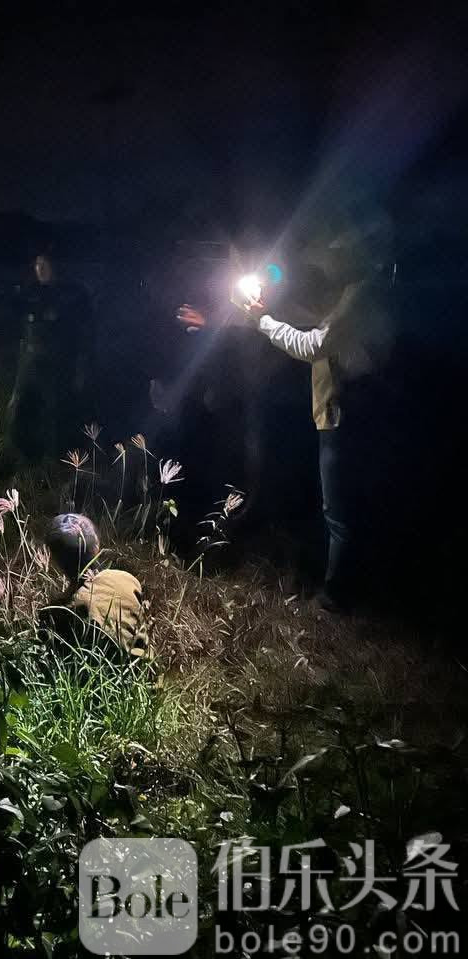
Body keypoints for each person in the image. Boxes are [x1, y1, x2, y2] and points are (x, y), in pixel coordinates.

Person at [177, 235, 383, 612]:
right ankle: (329, 581)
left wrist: (263, 319)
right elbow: (308, 320)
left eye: (334, 253)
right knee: (330, 507)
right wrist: (257, 313)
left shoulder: (359, 294)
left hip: (343, 413)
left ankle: (337, 597)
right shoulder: (349, 293)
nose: (326, 261)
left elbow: (314, 344)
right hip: (330, 411)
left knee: (338, 512)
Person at [6, 254, 94, 459]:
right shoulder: (30, 293)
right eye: (37, 264)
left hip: (57, 366)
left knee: (55, 415)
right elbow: (20, 329)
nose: (41, 269)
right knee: (19, 410)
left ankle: (56, 460)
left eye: (45, 264)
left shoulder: (71, 295)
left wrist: (80, 368)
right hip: (31, 364)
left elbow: (82, 335)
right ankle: (21, 456)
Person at [43, 513, 148, 653]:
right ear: (97, 547)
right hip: (145, 664)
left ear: (56, 561)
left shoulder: (58, 611)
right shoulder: (127, 579)